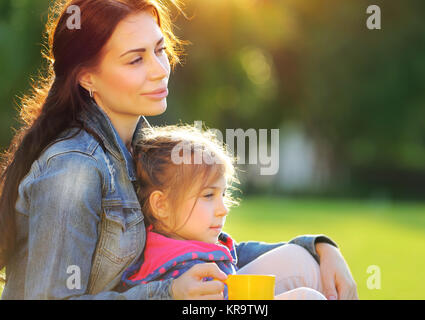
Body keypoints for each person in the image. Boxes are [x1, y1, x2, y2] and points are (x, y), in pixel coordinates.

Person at [0, 0, 357, 300]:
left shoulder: (139, 150)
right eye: (135, 59)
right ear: (87, 77)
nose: (159, 70)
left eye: (159, 50)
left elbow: (197, 250)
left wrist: (320, 247)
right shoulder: (73, 169)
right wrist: (168, 292)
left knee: (303, 265)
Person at [120, 125, 327, 300]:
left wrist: (319, 248)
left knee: (300, 258)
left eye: (223, 194)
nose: (223, 209)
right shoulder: (179, 269)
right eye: (208, 195)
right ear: (161, 205)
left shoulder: (186, 244)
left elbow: (243, 250)